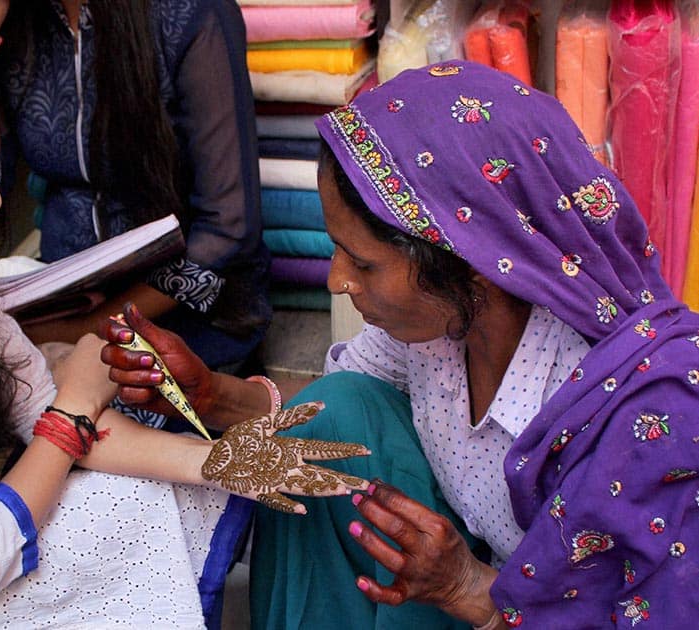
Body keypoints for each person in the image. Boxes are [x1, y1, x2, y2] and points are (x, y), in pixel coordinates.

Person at [0, 2, 370, 627]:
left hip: (153, 310)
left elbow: (42, 403)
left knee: (152, 489)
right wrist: (73, 407)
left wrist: (215, 463)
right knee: (121, 513)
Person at [101, 60, 699, 628]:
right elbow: (324, 415)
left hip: (522, 612)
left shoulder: (629, 409)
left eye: (361, 261)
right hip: (472, 584)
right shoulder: (443, 329)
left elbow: (631, 612)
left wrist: (467, 585)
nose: (336, 280)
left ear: (472, 263)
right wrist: (210, 394)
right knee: (338, 411)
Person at [0, 0, 271, 372]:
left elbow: (229, 232)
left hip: (182, 319)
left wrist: (80, 331)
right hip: (58, 303)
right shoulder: (21, 20)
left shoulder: (191, 13)